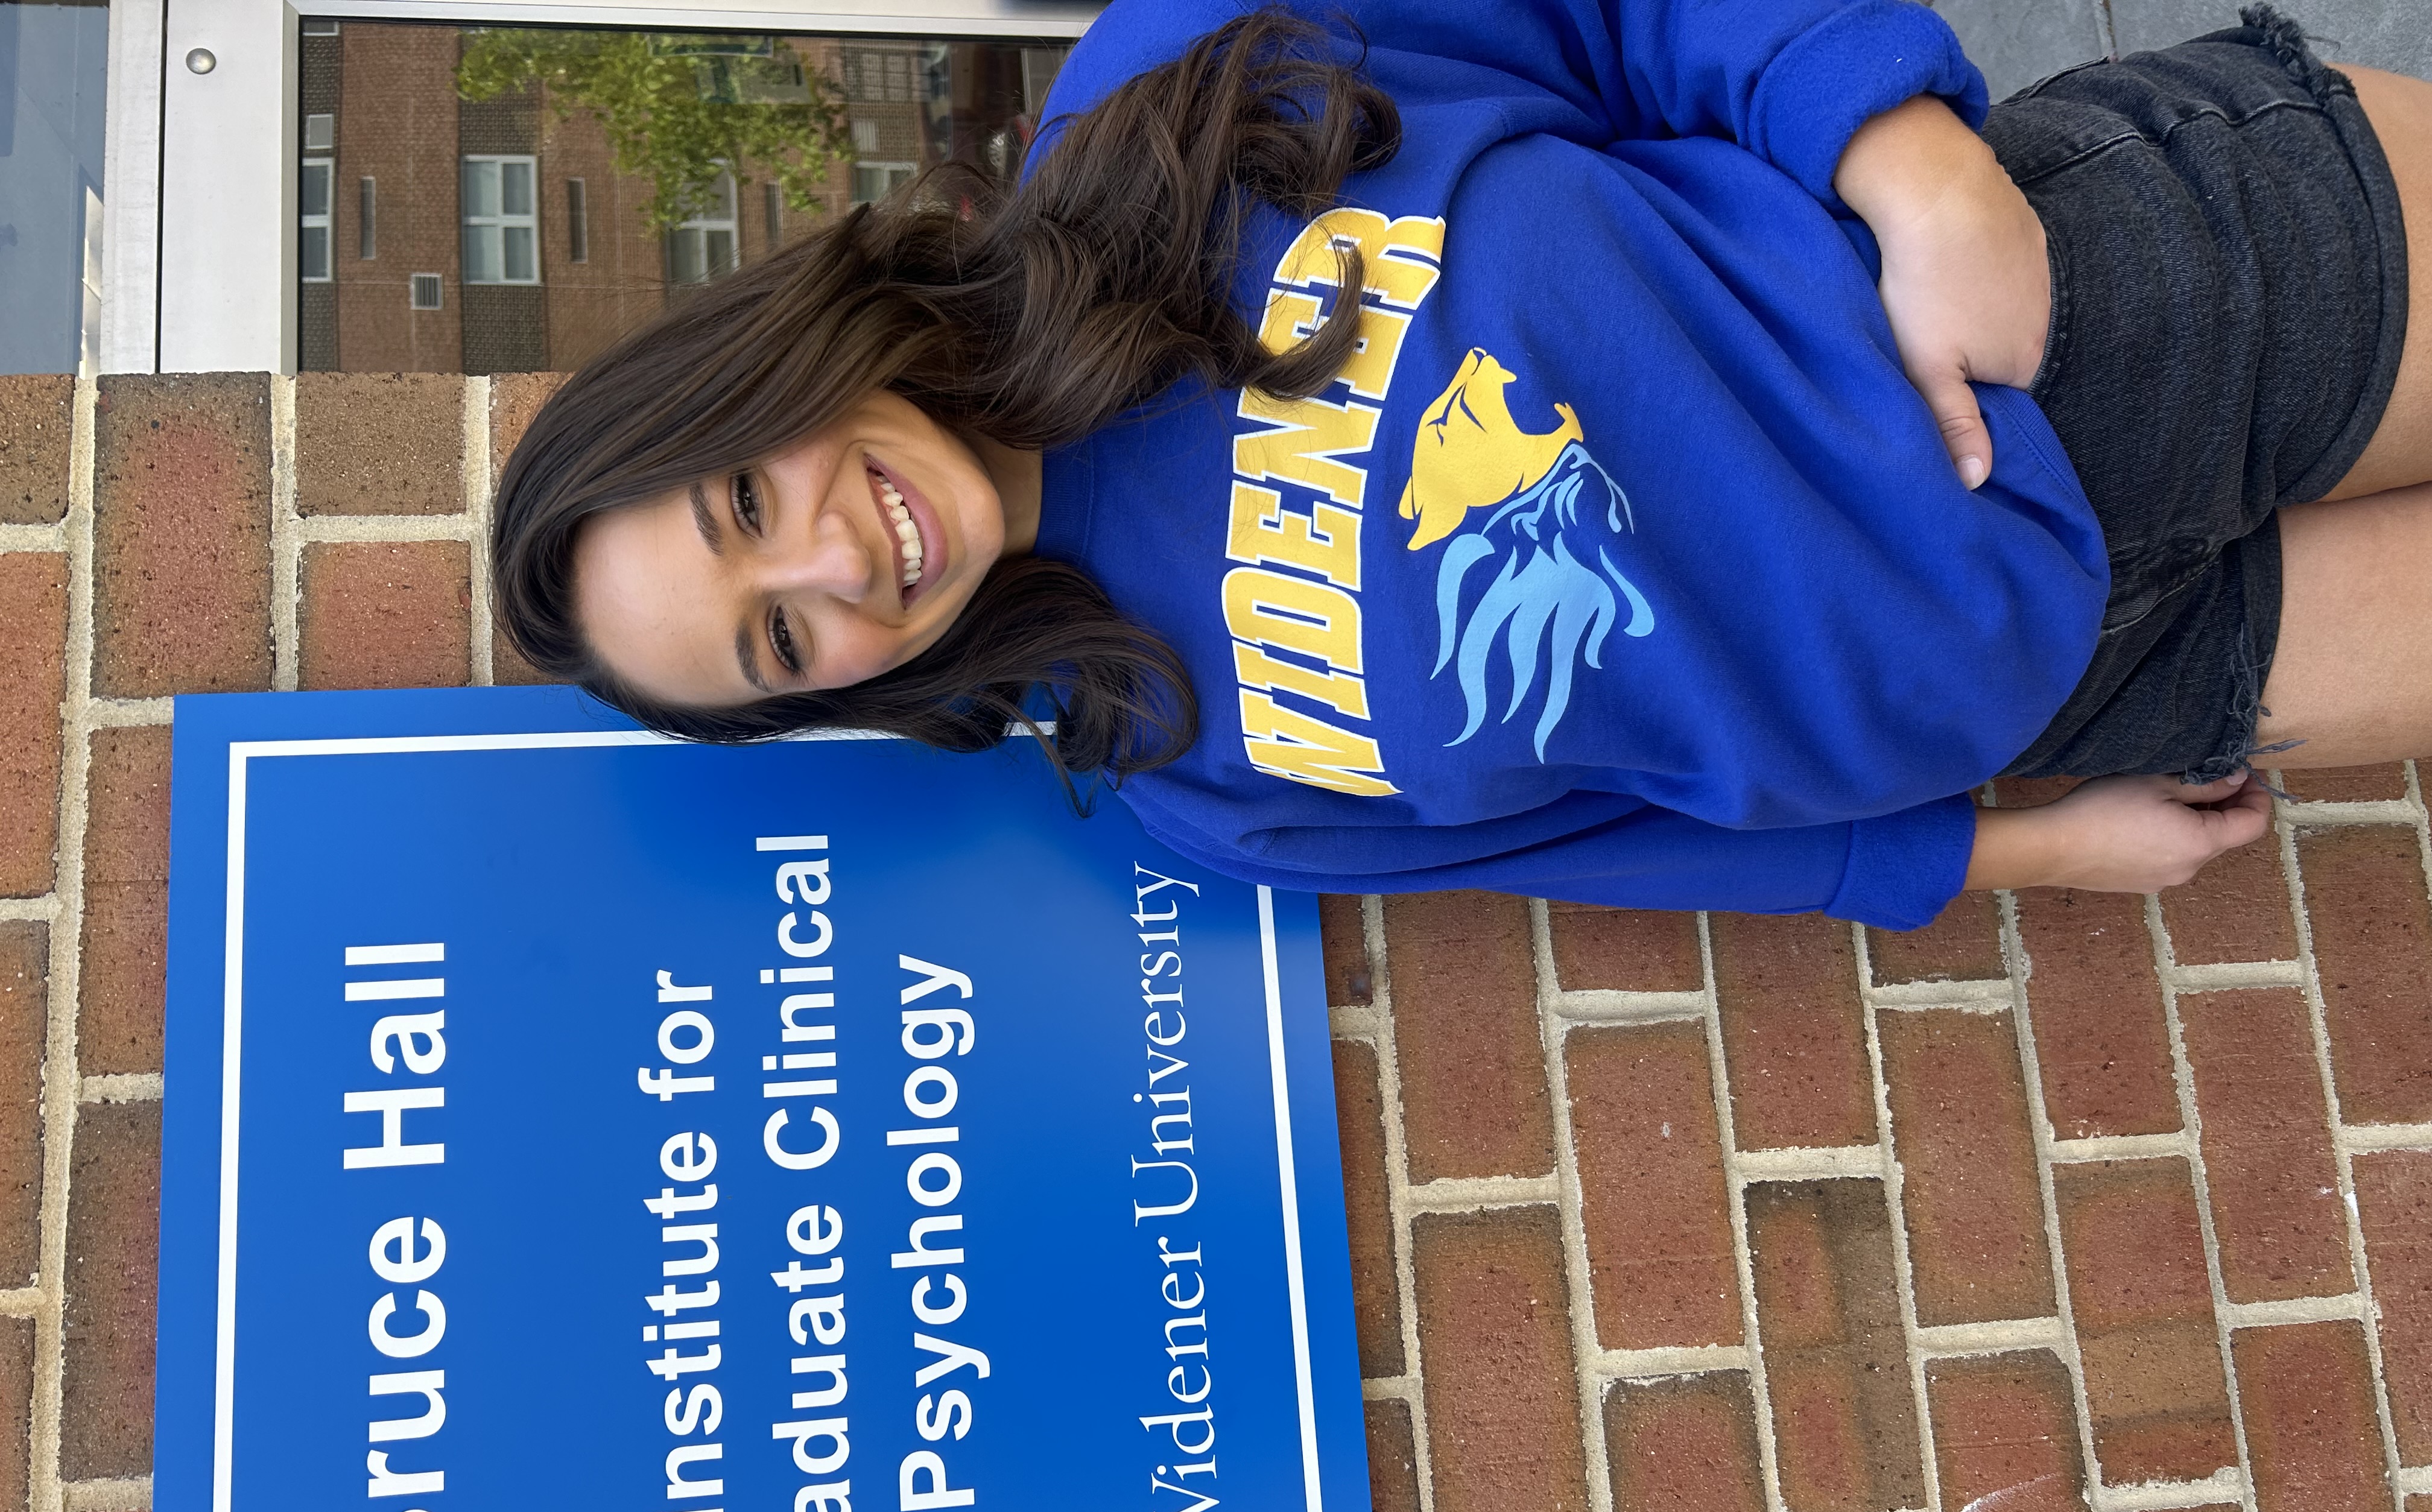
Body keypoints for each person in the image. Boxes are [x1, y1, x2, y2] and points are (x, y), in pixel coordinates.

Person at [491, 0, 2432, 931]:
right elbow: (1603, 841)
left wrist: (1902, 154)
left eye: (747, 502)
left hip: (2098, 316)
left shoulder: (1142, 117)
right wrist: (2013, 848)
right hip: (2081, 674)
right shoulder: (1182, 776)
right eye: (770, 646)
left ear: (765, 373)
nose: (831, 568)